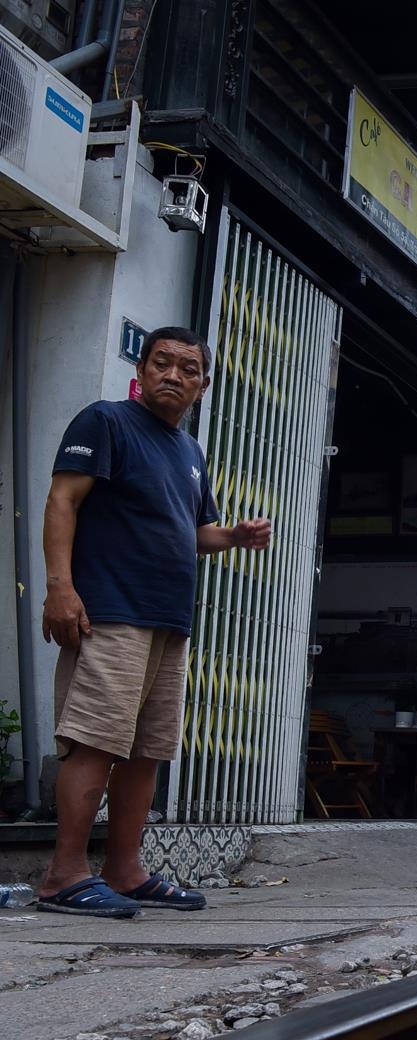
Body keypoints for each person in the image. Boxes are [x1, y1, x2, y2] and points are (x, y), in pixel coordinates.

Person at [36, 327, 273, 917]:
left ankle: (124, 870)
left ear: (203, 385)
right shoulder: (106, 422)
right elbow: (63, 499)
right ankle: (63, 875)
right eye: (162, 363)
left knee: (146, 751)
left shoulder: (189, 453)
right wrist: (59, 588)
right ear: (142, 370)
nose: (174, 375)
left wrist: (234, 537)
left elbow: (195, 534)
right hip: (110, 613)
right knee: (95, 741)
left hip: (168, 620)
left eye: (188, 369)